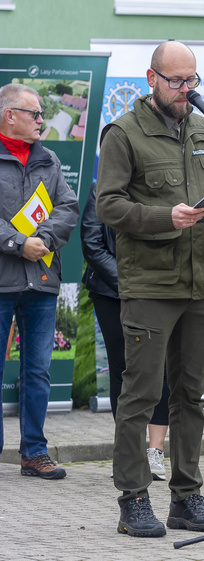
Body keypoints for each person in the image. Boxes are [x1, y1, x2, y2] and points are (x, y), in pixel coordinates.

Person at [97, 41, 204, 538]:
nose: (186, 90)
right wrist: (167, 217)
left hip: (200, 283)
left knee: (192, 396)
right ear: (151, 78)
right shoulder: (123, 134)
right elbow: (109, 207)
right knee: (140, 396)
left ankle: (186, 496)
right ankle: (133, 499)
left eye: (192, 81)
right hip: (150, 285)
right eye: (177, 81)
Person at [0, 82, 79, 479]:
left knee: (38, 370)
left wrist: (42, 241)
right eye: (35, 114)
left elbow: (67, 206)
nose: (42, 122)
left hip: (42, 280)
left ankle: (33, 452)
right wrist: (18, 243)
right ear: (9, 115)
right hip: (2, 278)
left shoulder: (48, 160)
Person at [81, 182, 171, 481]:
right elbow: (92, 244)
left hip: (160, 293)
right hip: (112, 293)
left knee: (163, 369)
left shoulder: (163, 184)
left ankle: (156, 452)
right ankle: (128, 453)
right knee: (123, 370)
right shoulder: (101, 190)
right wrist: (131, 285)